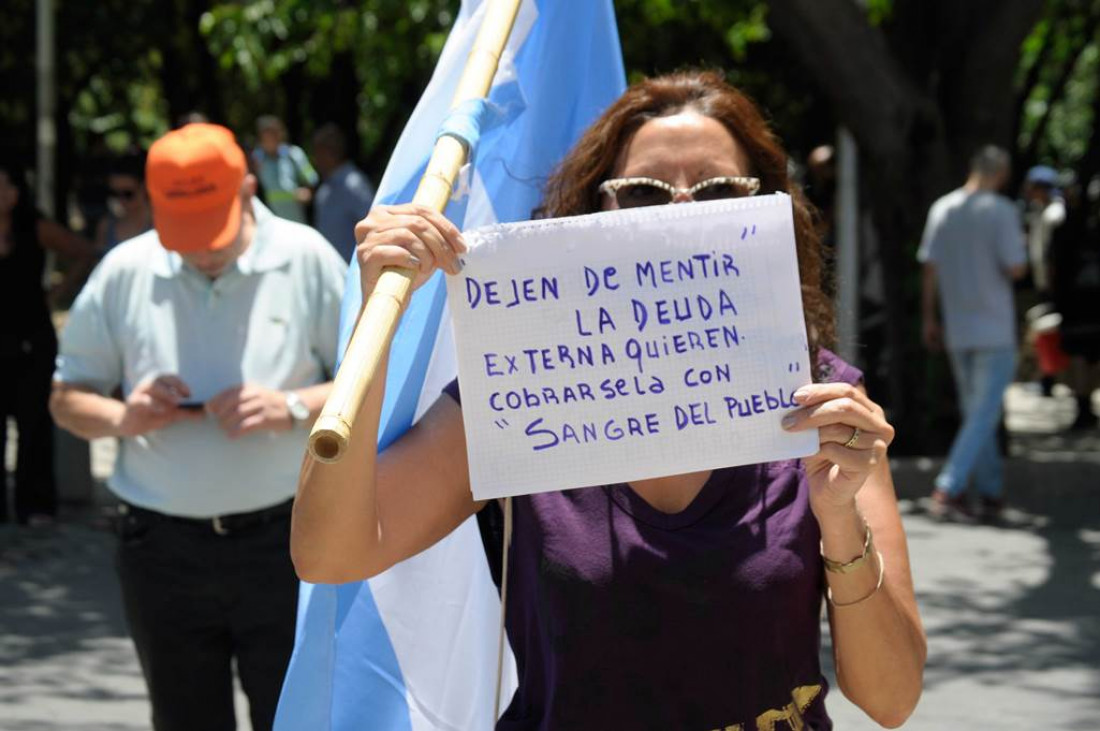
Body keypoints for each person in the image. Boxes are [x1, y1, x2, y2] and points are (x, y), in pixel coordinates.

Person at [292, 72, 926, 730]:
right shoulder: (525, 385)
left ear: (764, 207)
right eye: (645, 191)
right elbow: (331, 552)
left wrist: (839, 517)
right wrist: (379, 318)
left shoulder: (823, 403)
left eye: (715, 190)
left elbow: (892, 698)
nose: (680, 211)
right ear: (598, 210)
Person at [50, 123, 347, 731]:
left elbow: (371, 383)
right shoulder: (125, 269)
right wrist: (123, 417)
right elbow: (65, 397)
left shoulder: (306, 256)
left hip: (286, 542)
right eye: (185, 234)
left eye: (214, 229)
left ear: (246, 188)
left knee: (298, 718)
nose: (203, 250)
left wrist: (288, 406)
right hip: (161, 551)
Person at [919, 146, 1027, 522]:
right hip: (994, 327)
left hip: (958, 327)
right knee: (983, 415)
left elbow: (929, 268)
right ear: (1001, 174)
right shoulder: (1002, 211)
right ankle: (949, 487)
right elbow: (1016, 268)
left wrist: (929, 318)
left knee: (976, 414)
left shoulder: (942, 209)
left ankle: (991, 492)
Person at [0, 161, 96, 525]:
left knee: (34, 424)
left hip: (31, 339)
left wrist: (57, 292)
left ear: (14, 193)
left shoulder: (35, 227)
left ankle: (35, 505)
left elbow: (84, 252)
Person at [1049, 176, 1100, 430]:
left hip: (1073, 302)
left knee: (1081, 354)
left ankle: (1083, 405)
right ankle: (1085, 404)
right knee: (1089, 355)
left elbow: (1052, 269)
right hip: (1086, 303)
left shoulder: (1062, 231)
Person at [311, 123, 376, 261]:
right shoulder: (325, 187)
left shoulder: (354, 184)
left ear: (329, 153)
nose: (315, 160)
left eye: (317, 153)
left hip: (353, 273)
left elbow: (374, 227)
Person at [251, 115, 318, 223]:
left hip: (297, 219)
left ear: (280, 135)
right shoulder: (257, 158)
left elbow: (312, 179)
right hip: (270, 220)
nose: (270, 140)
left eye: (273, 135)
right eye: (266, 136)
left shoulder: (294, 154)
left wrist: (308, 192)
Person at [1022, 164, 1066, 297]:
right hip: (1040, 278)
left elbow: (1055, 251)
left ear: (1042, 189)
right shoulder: (1038, 207)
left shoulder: (1055, 213)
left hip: (1053, 281)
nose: (1027, 190)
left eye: (1031, 186)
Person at [94, 152, 152, 253]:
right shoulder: (105, 226)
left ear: (144, 187)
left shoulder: (161, 227)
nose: (120, 200)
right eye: (114, 193)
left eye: (127, 194)